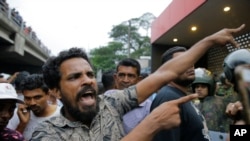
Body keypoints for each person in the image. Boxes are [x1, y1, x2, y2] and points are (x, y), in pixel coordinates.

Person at [30, 24, 244, 141]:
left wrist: (209, 41)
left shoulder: (110, 103)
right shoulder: (46, 134)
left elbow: (163, 73)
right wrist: (152, 125)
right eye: (75, 77)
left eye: (89, 74)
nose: (87, 81)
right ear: (56, 91)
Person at [150, 46, 211, 141]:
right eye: (183, 62)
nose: (191, 65)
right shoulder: (168, 98)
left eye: (191, 60)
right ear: (168, 69)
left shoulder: (181, 96)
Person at [7, 74, 61, 140]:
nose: (32, 103)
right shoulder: (17, 114)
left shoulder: (63, 115)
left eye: (37, 97)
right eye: (27, 98)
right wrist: (22, 124)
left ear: (48, 95)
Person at [112, 58, 152, 134]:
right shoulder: (105, 101)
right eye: (121, 75)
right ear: (115, 77)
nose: (125, 80)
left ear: (139, 80)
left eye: (130, 76)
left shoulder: (148, 108)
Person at [191, 68, 231, 141]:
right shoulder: (192, 104)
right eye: (197, 86)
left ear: (210, 87)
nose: (199, 89)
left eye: (203, 86)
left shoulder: (221, 102)